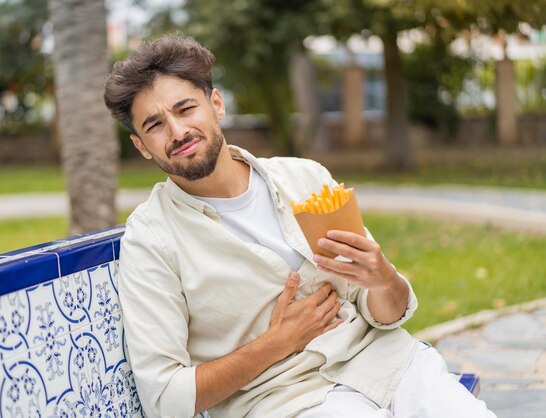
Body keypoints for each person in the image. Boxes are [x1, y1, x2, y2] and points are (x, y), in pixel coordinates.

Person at [103, 34, 496, 418]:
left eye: (185, 108)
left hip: (390, 366)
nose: (177, 132)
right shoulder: (152, 239)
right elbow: (165, 400)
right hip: (288, 401)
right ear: (141, 146)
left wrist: (383, 281)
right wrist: (275, 344)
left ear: (216, 105)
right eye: (155, 125)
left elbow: (383, 312)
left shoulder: (305, 178)